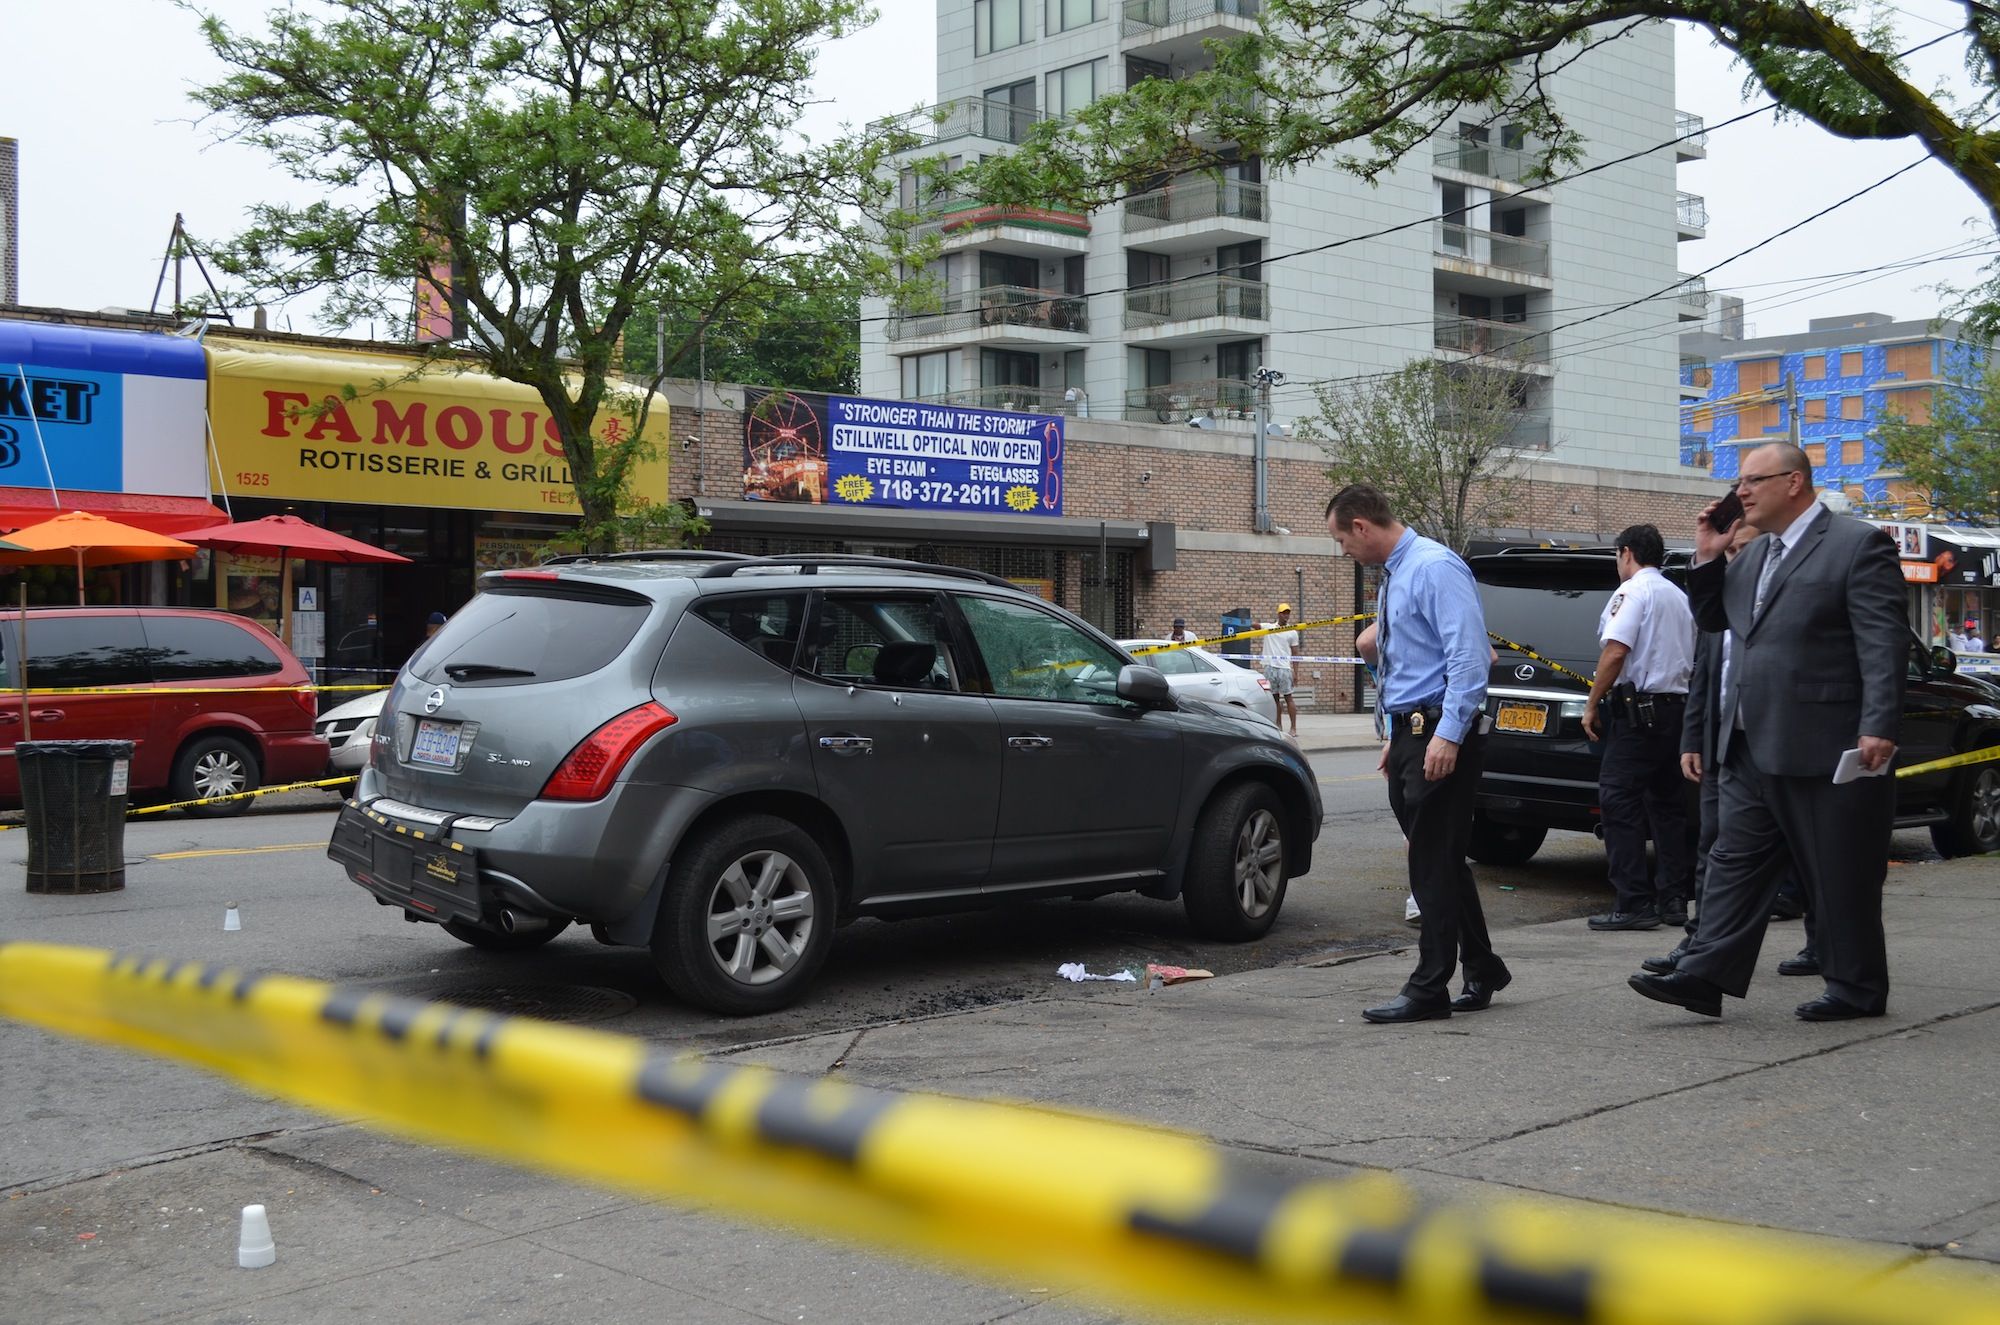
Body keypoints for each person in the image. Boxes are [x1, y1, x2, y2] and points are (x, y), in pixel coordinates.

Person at [1628, 443, 1905, 1022]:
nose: (1741, 492)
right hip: (1749, 740)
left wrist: (1878, 723)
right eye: (1740, 481)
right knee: (1733, 860)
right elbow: (1713, 624)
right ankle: (1705, 975)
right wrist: (1706, 556)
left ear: (1796, 483)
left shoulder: (1857, 545)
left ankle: (1856, 988)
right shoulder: (1749, 556)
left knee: (1837, 872)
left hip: (1824, 741)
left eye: (1754, 480)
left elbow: (1883, 642)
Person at [1328, 484, 1507, 1023]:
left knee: (1429, 862)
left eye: (1341, 539)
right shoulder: (1396, 575)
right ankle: (1482, 966)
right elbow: (1407, 664)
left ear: (1361, 526)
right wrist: (1395, 735)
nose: (1343, 552)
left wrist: (1447, 735)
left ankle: (1430, 986)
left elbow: (1472, 657)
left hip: (1439, 732)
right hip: (1411, 733)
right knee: (1441, 859)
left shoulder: (1433, 567)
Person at [1581, 524, 1697, 932]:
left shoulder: (1633, 592)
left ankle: (1632, 902)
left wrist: (1592, 703)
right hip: (1676, 711)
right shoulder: (1678, 596)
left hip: (1639, 715)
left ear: (1626, 552)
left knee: (1618, 800)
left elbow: (1616, 650)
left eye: (1616, 556)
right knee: (1667, 807)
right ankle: (1674, 900)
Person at [1359, 619, 1423, 927]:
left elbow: (1486, 658)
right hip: (1400, 741)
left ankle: (1426, 896)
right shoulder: (1390, 665)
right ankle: (1422, 894)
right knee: (1414, 827)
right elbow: (1366, 643)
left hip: (1433, 738)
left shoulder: (1428, 660)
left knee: (1428, 826)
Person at [1260, 603, 1301, 738]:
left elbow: (1295, 653)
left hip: (1284, 669)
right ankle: (1278, 726)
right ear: (1278, 614)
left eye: (1288, 613)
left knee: (1289, 697)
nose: (1286, 615)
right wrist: (1240, 621)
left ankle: (1293, 728)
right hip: (1270, 668)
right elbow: (1255, 626)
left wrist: (1295, 672)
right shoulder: (1269, 627)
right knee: (1274, 698)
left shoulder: (1292, 631)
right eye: (1284, 613)